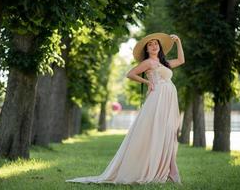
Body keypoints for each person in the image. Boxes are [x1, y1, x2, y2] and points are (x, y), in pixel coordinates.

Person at [65, 32, 185, 185]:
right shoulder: (148, 62)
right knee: (159, 132)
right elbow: (130, 74)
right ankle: (171, 172)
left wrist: (178, 42)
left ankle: (171, 170)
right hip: (157, 100)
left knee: (169, 133)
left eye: (156, 43)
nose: (154, 46)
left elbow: (181, 60)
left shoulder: (165, 64)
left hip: (169, 100)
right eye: (150, 44)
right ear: (147, 49)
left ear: (159, 47)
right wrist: (147, 82)